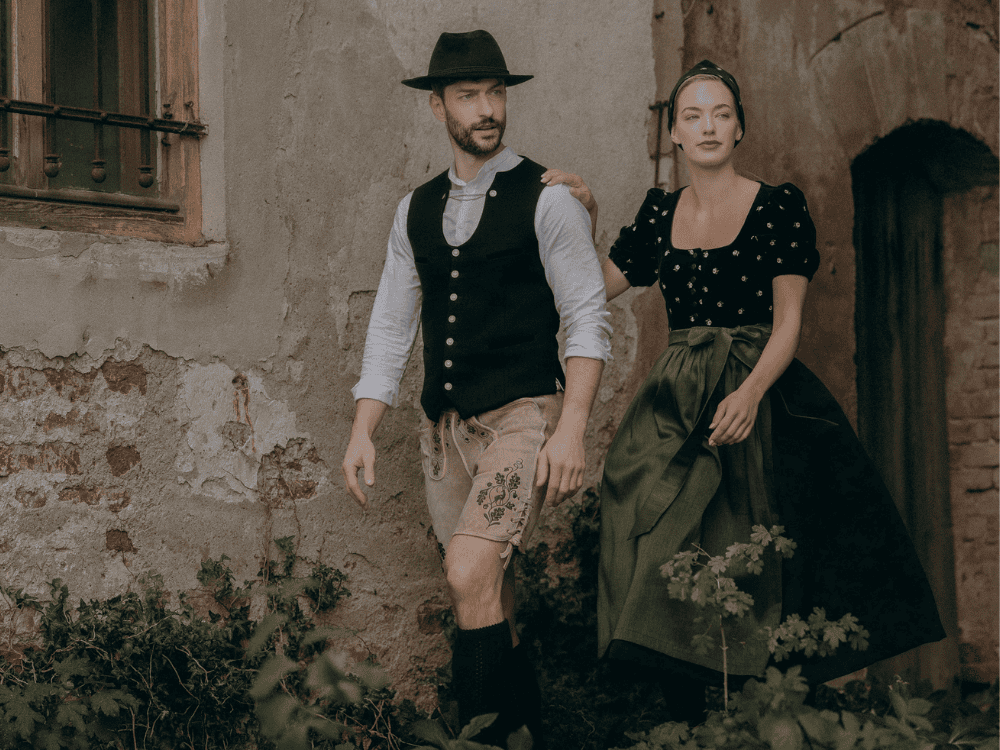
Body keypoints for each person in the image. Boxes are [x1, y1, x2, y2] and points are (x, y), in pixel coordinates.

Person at [562, 60, 944, 724]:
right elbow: (597, 286)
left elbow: (789, 320)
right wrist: (586, 218)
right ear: (674, 135)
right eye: (692, 116)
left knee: (754, 564)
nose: (708, 126)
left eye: (720, 114)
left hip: (756, 389)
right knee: (652, 535)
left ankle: (753, 723)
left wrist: (751, 395)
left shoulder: (776, 205)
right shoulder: (659, 212)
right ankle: (681, 724)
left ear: (739, 127)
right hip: (678, 397)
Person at [341, 30, 610, 749]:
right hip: (446, 431)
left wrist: (573, 426)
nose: (488, 109)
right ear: (438, 108)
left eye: (496, 93)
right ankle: (527, 733)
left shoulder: (547, 198)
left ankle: (481, 742)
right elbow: (392, 327)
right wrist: (364, 427)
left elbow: (587, 315)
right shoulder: (414, 210)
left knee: (467, 574)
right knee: (493, 594)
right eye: (469, 96)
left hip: (523, 416)